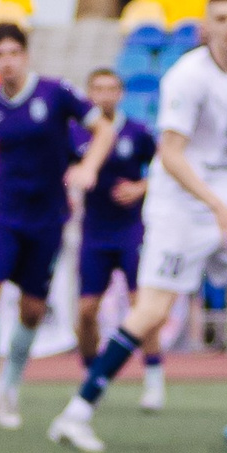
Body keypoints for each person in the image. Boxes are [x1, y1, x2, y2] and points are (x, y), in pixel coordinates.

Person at [48, 0, 227, 453]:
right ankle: (75, 414)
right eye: (221, 18)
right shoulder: (186, 77)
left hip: (223, 207)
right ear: (205, 28)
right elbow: (170, 155)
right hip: (180, 211)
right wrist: (215, 205)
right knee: (149, 312)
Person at [0, 22, 104, 428]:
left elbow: (104, 127)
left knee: (31, 308)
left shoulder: (56, 93)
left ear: (25, 55)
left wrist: (89, 167)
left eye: (14, 52)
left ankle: (9, 389)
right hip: (2, 213)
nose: (7, 61)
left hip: (47, 218)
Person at [70, 67, 164, 412]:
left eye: (111, 89)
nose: (105, 95)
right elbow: (65, 169)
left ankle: (154, 378)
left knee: (144, 305)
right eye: (98, 89)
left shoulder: (138, 132)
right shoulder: (77, 134)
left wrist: (141, 187)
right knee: (86, 310)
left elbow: (166, 167)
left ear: (121, 93)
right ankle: (91, 374)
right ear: (88, 94)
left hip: (131, 231)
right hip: (93, 231)